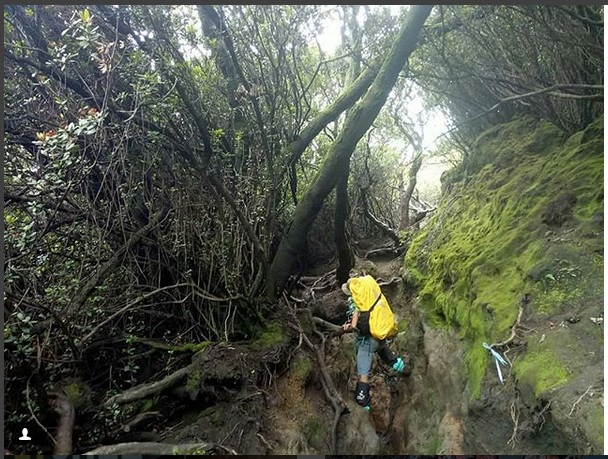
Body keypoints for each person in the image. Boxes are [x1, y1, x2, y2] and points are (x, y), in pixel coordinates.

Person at [341, 276, 410, 409]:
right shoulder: (372, 294)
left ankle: (363, 402)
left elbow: (354, 323)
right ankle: (403, 368)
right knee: (384, 352)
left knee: (363, 372)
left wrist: (348, 327)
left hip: (367, 342)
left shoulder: (357, 301)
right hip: (379, 333)